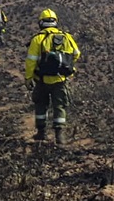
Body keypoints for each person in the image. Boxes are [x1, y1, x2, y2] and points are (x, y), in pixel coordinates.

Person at [25, 9, 81, 144]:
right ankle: (59, 136)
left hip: (41, 80)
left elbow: (31, 61)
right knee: (60, 106)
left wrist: (28, 78)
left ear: (41, 22)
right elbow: (76, 53)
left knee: (41, 105)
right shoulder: (66, 37)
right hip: (60, 80)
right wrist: (67, 66)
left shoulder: (38, 39)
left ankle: (41, 133)